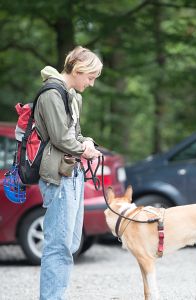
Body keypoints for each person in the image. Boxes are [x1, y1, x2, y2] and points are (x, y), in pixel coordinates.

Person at [34, 46, 103, 300]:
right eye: (90, 77)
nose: (92, 84)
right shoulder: (53, 93)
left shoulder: (70, 95)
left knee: (71, 244)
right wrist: (83, 150)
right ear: (78, 70)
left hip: (72, 175)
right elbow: (61, 138)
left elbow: (73, 134)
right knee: (58, 246)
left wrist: (87, 143)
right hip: (58, 177)